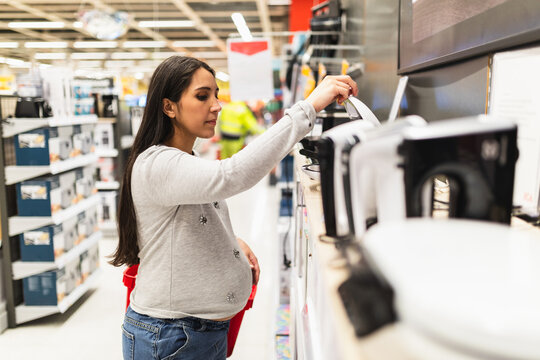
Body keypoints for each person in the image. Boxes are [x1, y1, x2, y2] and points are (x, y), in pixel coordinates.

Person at [110, 55, 357, 360]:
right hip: (173, 337)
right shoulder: (157, 163)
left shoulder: (181, 159)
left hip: (193, 334)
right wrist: (308, 108)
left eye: (216, 94)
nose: (216, 105)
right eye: (202, 96)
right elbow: (231, 175)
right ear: (169, 106)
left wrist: (229, 243)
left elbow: (182, 222)